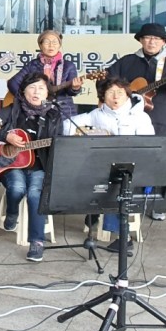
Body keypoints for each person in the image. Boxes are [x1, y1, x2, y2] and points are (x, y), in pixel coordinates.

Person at [106, 23, 166, 221]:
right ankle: (128, 199)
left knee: (158, 159)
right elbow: (109, 80)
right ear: (141, 40)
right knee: (131, 157)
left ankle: (155, 204)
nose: (151, 41)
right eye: (147, 38)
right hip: (131, 118)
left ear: (163, 42)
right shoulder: (127, 61)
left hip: (161, 117)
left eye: (156, 39)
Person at [63, 77, 154, 254]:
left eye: (120, 92)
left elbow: (149, 147)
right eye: (110, 92)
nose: (115, 97)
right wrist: (83, 134)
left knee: (118, 185)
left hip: (133, 169)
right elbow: (67, 124)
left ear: (128, 95)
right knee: (87, 177)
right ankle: (94, 210)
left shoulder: (140, 117)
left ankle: (123, 237)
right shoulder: (97, 114)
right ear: (102, 96)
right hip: (103, 167)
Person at [0, 73, 62, 262]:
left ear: (47, 93)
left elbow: (60, 141)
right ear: (23, 91)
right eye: (32, 87)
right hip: (12, 165)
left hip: (39, 166)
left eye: (41, 88)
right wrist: (6, 136)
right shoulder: (13, 111)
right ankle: (11, 213)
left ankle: (36, 242)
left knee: (36, 194)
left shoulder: (54, 115)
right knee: (18, 188)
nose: (36, 92)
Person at [7, 30, 82, 118]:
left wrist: (75, 88)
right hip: (37, 113)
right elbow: (12, 83)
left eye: (55, 42)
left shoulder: (68, 66)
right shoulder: (33, 65)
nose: (51, 45)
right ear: (40, 45)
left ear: (59, 45)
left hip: (63, 113)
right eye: (46, 42)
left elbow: (71, 92)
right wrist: (26, 99)